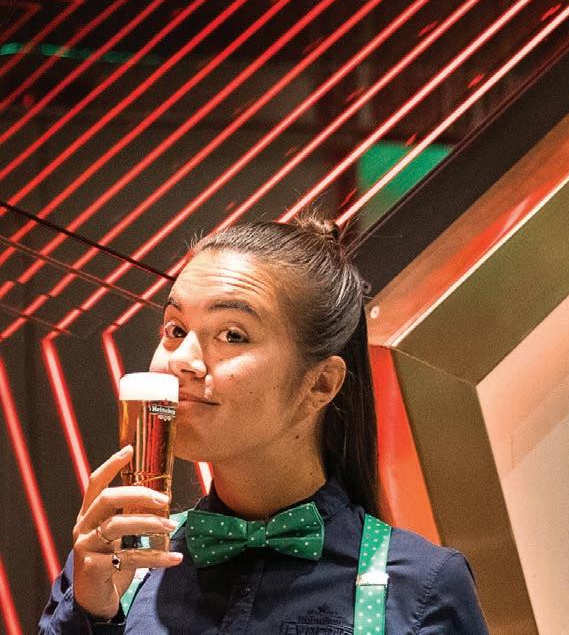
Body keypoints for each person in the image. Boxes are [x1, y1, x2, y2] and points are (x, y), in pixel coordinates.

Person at [39, 216, 490, 633]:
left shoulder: (421, 588)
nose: (182, 360)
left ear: (321, 384)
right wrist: (92, 614)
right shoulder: (120, 567)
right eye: (175, 329)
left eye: (232, 335)